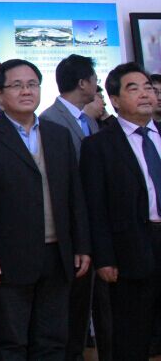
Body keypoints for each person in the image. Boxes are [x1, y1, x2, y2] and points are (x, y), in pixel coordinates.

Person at [0, 59, 91, 360]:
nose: (26, 91)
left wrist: (81, 245)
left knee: (52, 340)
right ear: (0, 93)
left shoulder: (57, 134)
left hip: (58, 254)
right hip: (8, 258)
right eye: (17, 85)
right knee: (10, 342)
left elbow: (74, 194)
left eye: (32, 85)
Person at [80, 63, 161, 360]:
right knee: (132, 335)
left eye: (148, 88)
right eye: (133, 88)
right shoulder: (99, 145)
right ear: (114, 100)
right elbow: (95, 206)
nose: (145, 94)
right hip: (131, 251)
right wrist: (104, 257)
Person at [40, 54, 101, 361]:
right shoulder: (50, 120)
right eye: (95, 80)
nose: (97, 86)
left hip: (92, 218)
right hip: (67, 224)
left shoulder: (88, 120)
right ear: (82, 83)